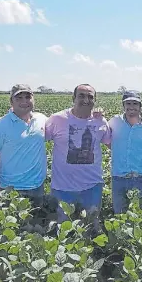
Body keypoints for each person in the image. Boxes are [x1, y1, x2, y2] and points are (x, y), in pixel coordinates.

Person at [45, 84, 111, 227]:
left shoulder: (100, 121)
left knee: (92, 227)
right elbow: (35, 141)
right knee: (63, 228)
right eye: (81, 96)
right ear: (73, 98)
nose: (86, 100)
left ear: (95, 100)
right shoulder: (57, 119)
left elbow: (112, 145)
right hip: (62, 188)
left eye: (90, 97)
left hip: (92, 186)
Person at [0, 84, 47, 202]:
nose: (24, 101)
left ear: (33, 99)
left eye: (28, 97)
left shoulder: (42, 120)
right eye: (19, 98)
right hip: (10, 189)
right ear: (11, 101)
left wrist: (94, 119)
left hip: (37, 187)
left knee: (37, 220)